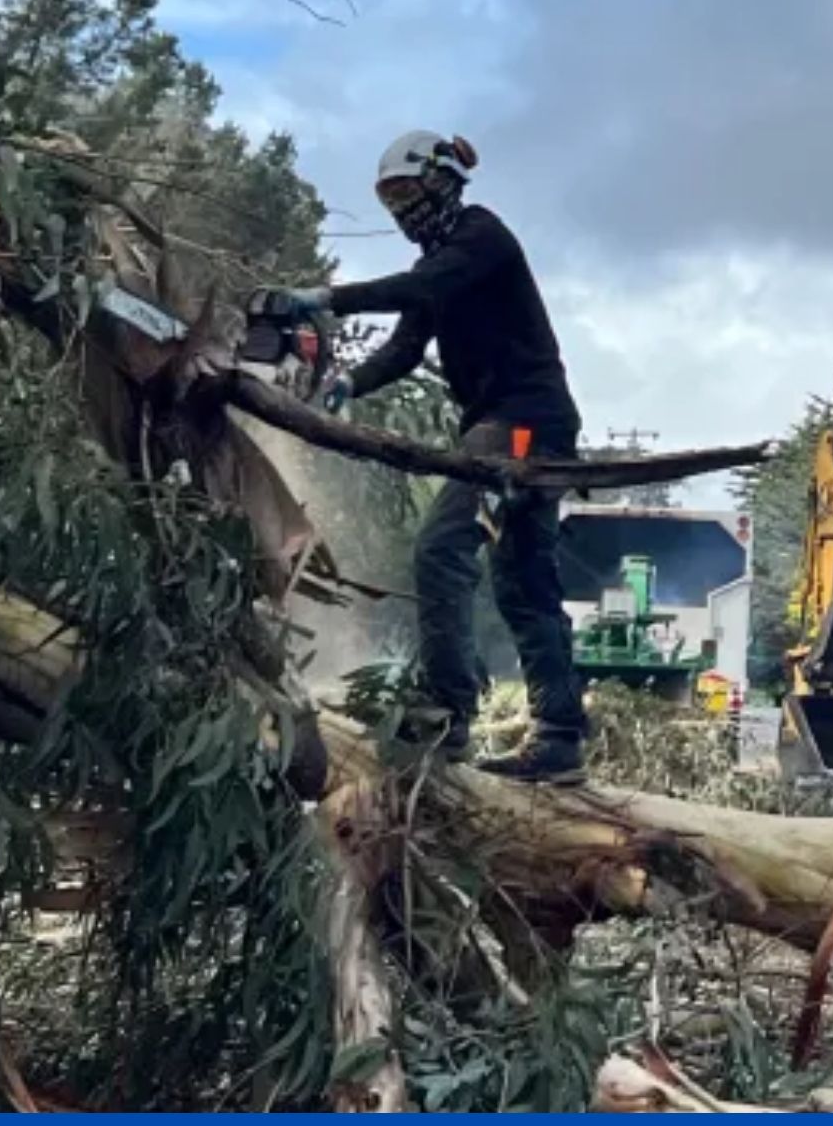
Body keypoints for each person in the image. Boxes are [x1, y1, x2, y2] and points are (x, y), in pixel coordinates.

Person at [252, 130, 588, 784]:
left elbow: (416, 289)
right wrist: (350, 384)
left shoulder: (479, 239)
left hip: (522, 426)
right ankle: (560, 739)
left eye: (408, 191)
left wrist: (324, 299)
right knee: (523, 583)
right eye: (390, 199)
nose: (403, 209)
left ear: (441, 179)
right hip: (509, 425)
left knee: (443, 549)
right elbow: (408, 343)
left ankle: (448, 714)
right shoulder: (445, 262)